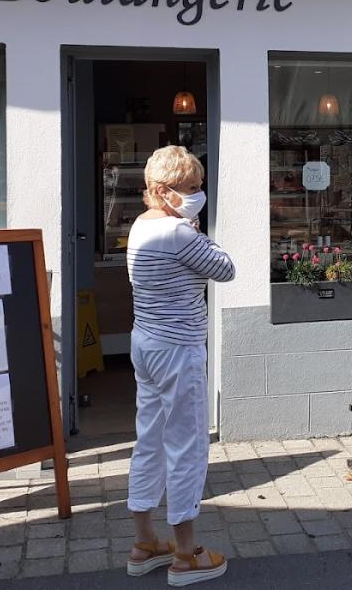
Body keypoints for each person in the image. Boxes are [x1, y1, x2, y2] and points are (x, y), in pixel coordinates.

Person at [124, 145, 235, 585]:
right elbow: (225, 269)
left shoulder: (139, 227)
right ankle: (186, 554)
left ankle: (144, 541)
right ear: (160, 190)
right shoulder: (179, 233)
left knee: (148, 438)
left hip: (145, 343)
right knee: (187, 444)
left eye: (199, 186)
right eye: (189, 188)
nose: (197, 194)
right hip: (179, 348)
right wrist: (196, 232)